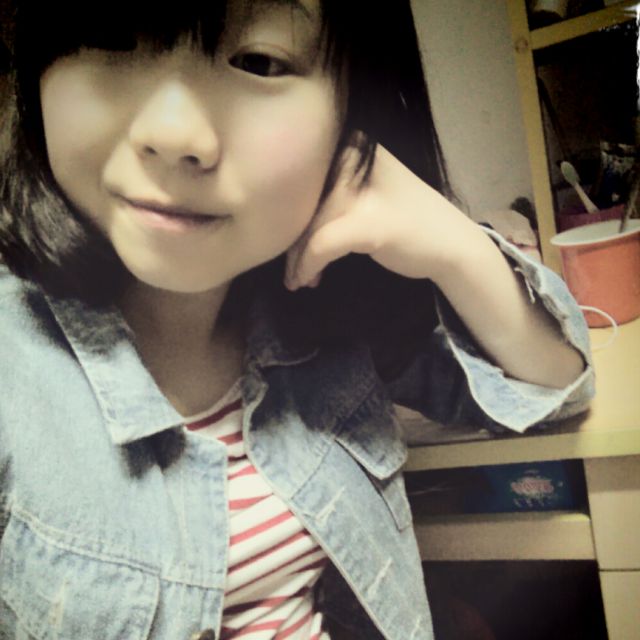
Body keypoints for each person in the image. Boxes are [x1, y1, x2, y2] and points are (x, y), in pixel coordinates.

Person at [0, 1, 594, 638]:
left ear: (351, 110)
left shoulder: (321, 309)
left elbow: (552, 387)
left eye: (258, 61)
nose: (174, 135)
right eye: (113, 37)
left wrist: (459, 250)